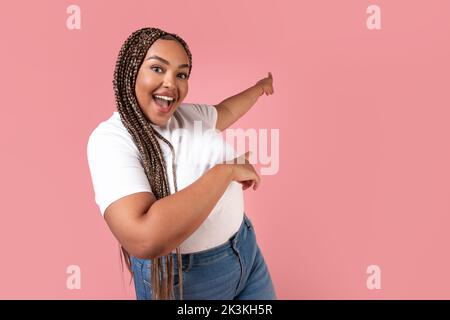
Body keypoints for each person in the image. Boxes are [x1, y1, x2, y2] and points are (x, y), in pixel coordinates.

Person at [87, 27, 276, 300]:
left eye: (181, 74)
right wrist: (225, 172)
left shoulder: (186, 115)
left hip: (246, 252)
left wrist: (258, 89)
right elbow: (144, 237)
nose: (171, 83)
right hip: (186, 282)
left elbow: (225, 111)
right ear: (130, 72)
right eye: (157, 69)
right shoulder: (110, 140)